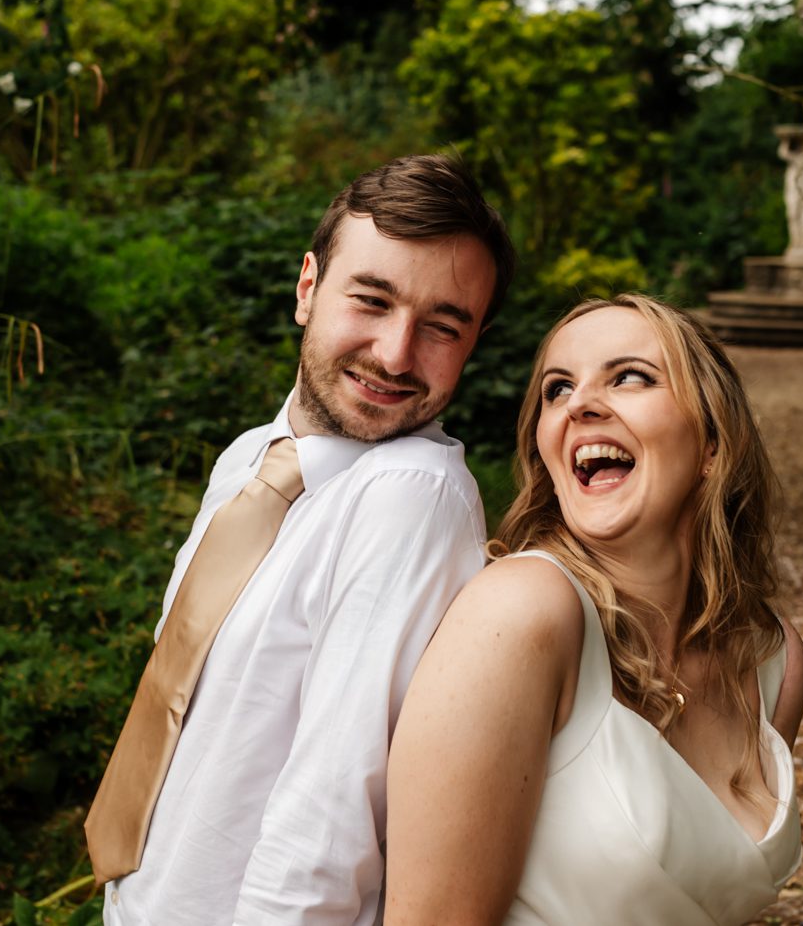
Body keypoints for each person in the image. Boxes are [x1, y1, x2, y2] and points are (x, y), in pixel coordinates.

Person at [85, 154, 515, 925]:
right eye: (372, 301)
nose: (394, 353)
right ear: (308, 287)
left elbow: (334, 810)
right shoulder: (253, 460)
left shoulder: (412, 495)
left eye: (442, 326)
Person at [384, 293, 803, 925]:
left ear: (714, 444)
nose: (579, 404)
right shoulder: (523, 613)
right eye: (557, 390)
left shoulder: (773, 659)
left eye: (630, 376)